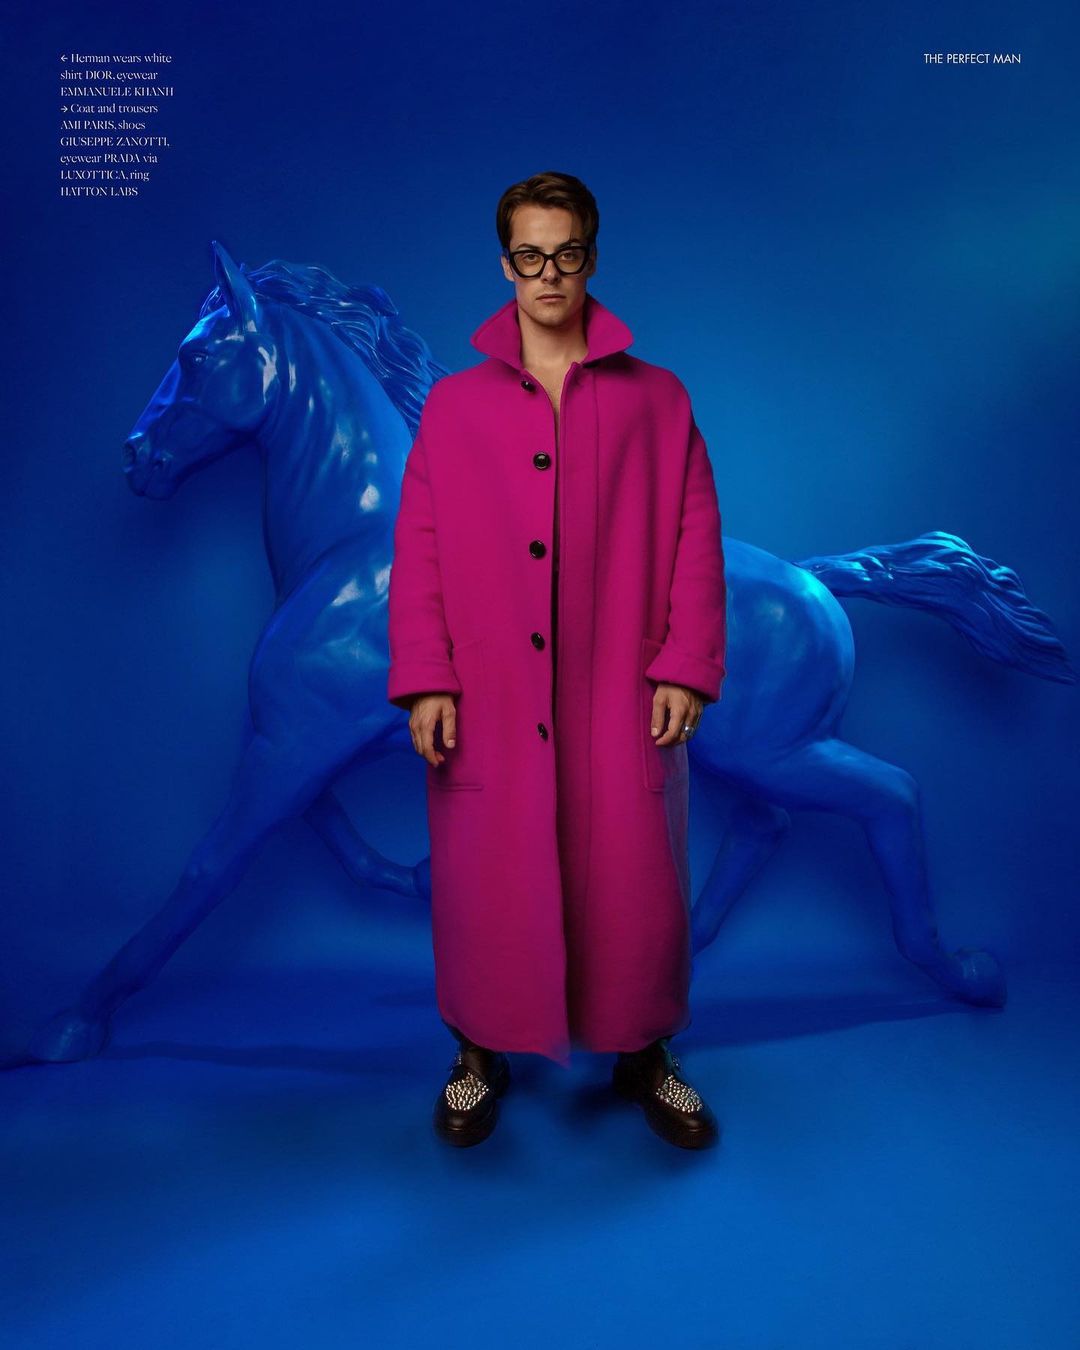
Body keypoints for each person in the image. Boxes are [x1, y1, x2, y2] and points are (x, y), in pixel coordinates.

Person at [387, 171, 727, 1150]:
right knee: (484, 875)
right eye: (530, 255)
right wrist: (427, 677)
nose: (549, 273)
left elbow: (696, 536)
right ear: (506, 264)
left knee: (635, 875)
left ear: (591, 257)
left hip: (620, 686)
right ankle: (476, 1053)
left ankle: (645, 1054)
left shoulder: (659, 400)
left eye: (566, 253)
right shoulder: (452, 408)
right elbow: (421, 548)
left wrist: (685, 663)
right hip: (488, 693)